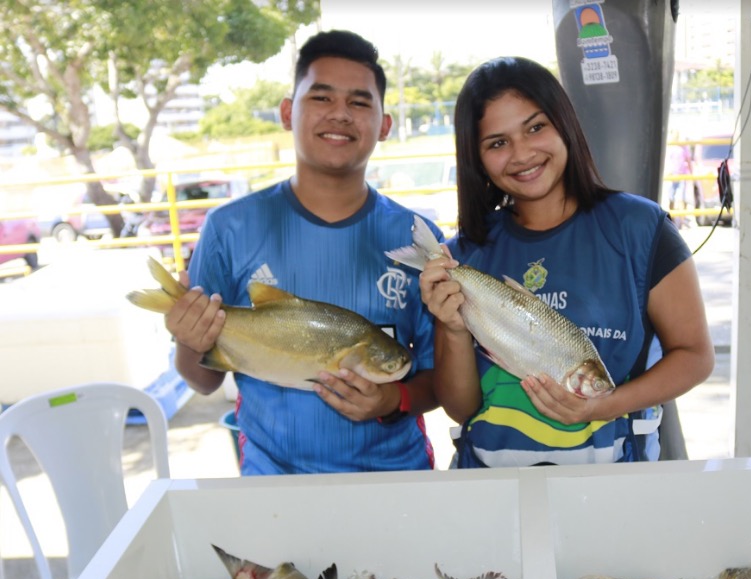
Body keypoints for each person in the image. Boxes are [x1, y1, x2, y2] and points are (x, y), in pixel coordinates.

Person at [164, 30, 442, 475]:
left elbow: (439, 379)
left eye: (359, 102)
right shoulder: (230, 227)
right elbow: (202, 379)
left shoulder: (417, 235)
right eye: (321, 98)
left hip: (397, 479)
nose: (340, 115)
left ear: (384, 124)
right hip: (274, 481)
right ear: (287, 112)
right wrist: (186, 339)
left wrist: (393, 399)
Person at [419, 56, 715, 468]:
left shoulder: (639, 227)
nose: (522, 154)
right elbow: (461, 409)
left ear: (565, 124)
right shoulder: (465, 255)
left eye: (536, 127)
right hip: (491, 486)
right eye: (497, 143)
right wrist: (451, 328)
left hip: (613, 485)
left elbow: (695, 356)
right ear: (476, 158)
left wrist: (602, 406)